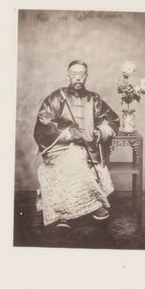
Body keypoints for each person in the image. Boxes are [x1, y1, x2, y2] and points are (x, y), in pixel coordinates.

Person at [32, 60, 120, 229]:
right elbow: (43, 124)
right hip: (58, 147)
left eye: (81, 74)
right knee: (73, 159)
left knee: (79, 156)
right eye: (74, 74)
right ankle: (86, 209)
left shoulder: (94, 99)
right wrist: (69, 134)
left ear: (86, 76)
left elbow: (112, 120)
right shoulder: (57, 97)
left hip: (88, 147)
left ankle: (68, 214)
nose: (78, 78)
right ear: (68, 75)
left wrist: (100, 131)